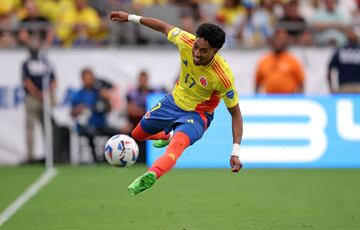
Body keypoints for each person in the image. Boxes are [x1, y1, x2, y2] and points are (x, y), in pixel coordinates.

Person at [110, 10, 244, 195]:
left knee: (177, 145)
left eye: (203, 51)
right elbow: (163, 26)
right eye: (196, 47)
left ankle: (151, 175)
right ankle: (165, 135)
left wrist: (235, 152)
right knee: (138, 134)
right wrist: (131, 18)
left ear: (216, 51)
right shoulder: (185, 40)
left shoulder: (223, 77)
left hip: (198, 115)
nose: (196, 53)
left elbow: (236, 114)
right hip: (172, 103)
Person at [70, 68, 124, 163]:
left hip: (100, 123)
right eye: (86, 78)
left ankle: (108, 156)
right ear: (82, 79)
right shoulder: (78, 94)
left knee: (115, 132)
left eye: (90, 78)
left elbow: (108, 110)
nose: (88, 80)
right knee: (91, 133)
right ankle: (95, 158)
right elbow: (72, 114)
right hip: (85, 125)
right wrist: (78, 109)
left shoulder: (99, 92)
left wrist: (107, 100)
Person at [22, 46, 57, 163]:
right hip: (42, 97)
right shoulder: (47, 63)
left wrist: (38, 93)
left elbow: (26, 81)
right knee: (44, 127)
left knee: (34, 127)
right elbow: (54, 80)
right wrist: (44, 93)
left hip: (34, 97)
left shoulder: (27, 63)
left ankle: (34, 156)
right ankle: (48, 156)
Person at [255, 28, 305, 94]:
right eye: (276, 39)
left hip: (288, 100)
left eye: (281, 39)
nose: (278, 42)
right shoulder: (264, 60)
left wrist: (299, 99)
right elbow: (257, 83)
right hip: (269, 100)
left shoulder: (293, 60)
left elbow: (301, 83)